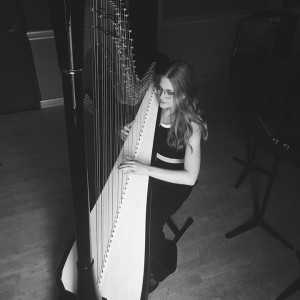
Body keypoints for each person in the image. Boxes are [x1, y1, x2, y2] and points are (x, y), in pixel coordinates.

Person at [119, 60, 208, 292]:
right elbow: (144, 138)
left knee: (150, 220)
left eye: (171, 92)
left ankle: (162, 267)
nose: (163, 96)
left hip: (175, 181)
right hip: (152, 169)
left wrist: (145, 170)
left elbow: (190, 177)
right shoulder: (153, 106)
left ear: (185, 94)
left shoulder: (192, 125)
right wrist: (127, 133)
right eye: (160, 89)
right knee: (127, 202)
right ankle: (133, 249)